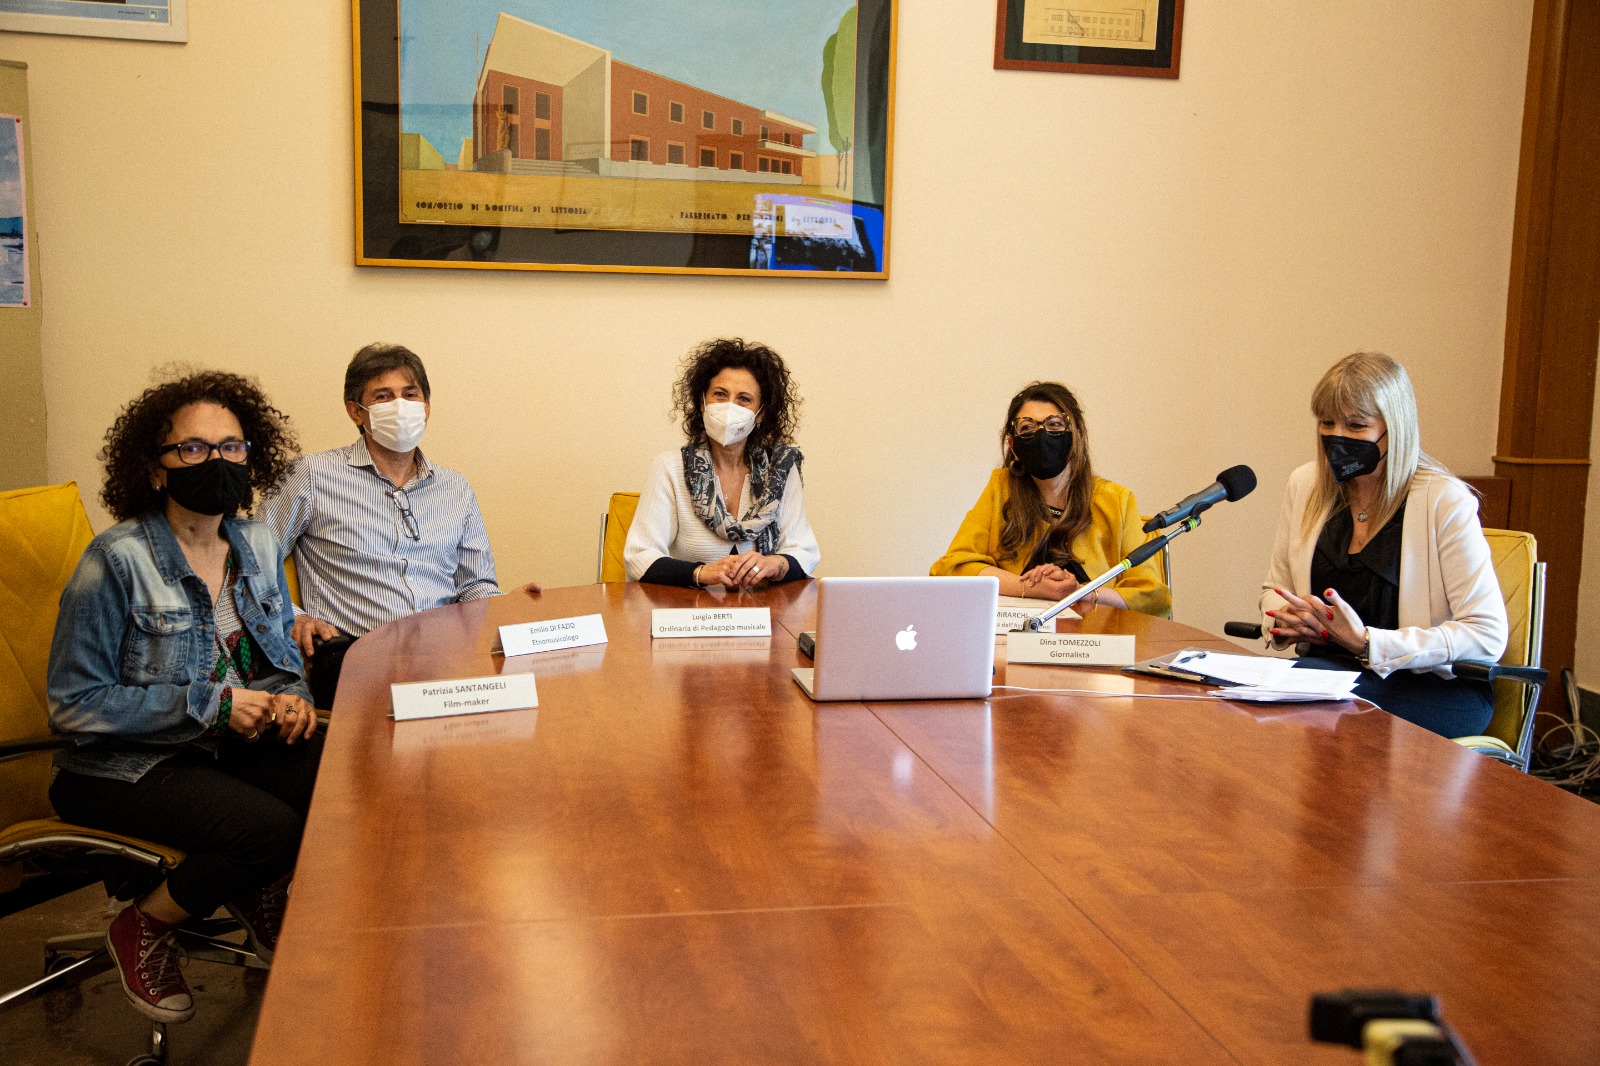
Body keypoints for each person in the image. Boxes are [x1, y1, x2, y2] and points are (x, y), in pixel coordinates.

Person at [47, 370, 320, 1024]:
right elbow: (73, 703)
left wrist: (290, 698)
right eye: (193, 448)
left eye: (231, 447)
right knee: (269, 829)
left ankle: (252, 886)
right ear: (155, 468)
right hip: (118, 767)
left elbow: (276, 657)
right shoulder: (116, 559)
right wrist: (215, 703)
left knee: (335, 782)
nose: (216, 462)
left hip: (213, 751)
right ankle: (143, 925)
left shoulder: (256, 543)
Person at [1259, 351, 1507, 737]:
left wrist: (1368, 643)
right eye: (1327, 423)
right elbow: (1274, 590)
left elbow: (1486, 634)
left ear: (1395, 428)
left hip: (1432, 688)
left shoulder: (1444, 500)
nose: (1337, 437)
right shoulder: (1305, 485)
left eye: (1356, 425)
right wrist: (1285, 617)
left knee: (1312, 717)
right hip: (1329, 677)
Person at [260, 343, 525, 705]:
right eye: (383, 396)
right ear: (356, 411)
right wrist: (296, 618)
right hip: (356, 656)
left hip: (447, 655)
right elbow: (251, 565)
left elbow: (475, 584)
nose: (400, 406)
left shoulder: (455, 487)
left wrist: (507, 608)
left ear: (426, 407)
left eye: (410, 394)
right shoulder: (311, 475)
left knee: (523, 691)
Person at [931, 381, 1170, 616]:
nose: (1041, 435)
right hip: (1018, 632)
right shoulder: (1001, 489)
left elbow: (1151, 597)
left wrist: (1080, 592)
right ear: (1013, 446)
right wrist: (1029, 587)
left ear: (1076, 436)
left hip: (1094, 633)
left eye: (1054, 424)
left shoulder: (1116, 500)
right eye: (1027, 428)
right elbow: (952, 569)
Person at [625, 338, 819, 588]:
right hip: (691, 608)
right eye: (720, 394)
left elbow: (804, 552)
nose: (729, 407)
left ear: (760, 414)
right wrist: (701, 573)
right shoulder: (670, 468)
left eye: (744, 399)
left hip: (765, 607)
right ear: (702, 402)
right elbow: (639, 556)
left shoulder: (780, 470)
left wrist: (776, 564)